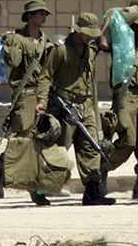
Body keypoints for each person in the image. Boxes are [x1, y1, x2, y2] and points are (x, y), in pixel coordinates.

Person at [35, 11, 116, 205]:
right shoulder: (61, 49)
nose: (90, 36)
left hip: (86, 105)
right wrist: (42, 102)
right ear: (78, 30)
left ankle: (92, 191)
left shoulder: (90, 49)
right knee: (60, 150)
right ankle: (40, 188)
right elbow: (46, 76)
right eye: (87, 32)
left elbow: (102, 46)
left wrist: (105, 24)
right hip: (64, 106)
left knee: (91, 147)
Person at [0, 0, 55, 205]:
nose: (44, 17)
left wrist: (43, 99)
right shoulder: (17, 38)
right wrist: (10, 43)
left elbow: (46, 73)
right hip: (23, 95)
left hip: (41, 93)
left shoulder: (44, 40)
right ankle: (34, 188)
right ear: (29, 17)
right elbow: (13, 62)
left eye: (45, 14)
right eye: (40, 13)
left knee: (37, 142)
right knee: (24, 141)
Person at [103, 1, 138, 200]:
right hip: (125, 94)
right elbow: (102, 43)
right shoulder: (120, 40)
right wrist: (110, 16)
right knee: (127, 141)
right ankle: (99, 173)